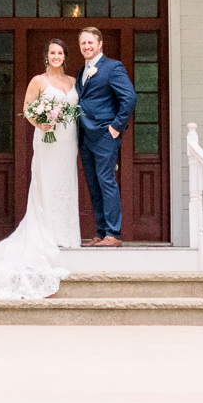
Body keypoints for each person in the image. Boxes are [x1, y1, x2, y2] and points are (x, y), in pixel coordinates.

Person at [0, 39, 81, 299]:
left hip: (67, 140)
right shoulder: (38, 81)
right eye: (52, 52)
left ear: (65, 56)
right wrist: (41, 123)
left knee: (66, 184)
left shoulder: (74, 81)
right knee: (47, 184)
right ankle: (47, 234)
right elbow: (28, 110)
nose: (56, 56)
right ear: (46, 55)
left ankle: (67, 235)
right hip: (47, 139)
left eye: (60, 52)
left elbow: (76, 110)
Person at [74, 26, 136, 247]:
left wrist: (115, 127)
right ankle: (101, 232)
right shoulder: (82, 72)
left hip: (104, 135)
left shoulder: (112, 67)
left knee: (106, 181)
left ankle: (114, 234)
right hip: (84, 136)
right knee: (93, 184)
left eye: (91, 42)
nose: (87, 46)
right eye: (83, 43)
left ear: (100, 44)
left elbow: (129, 98)